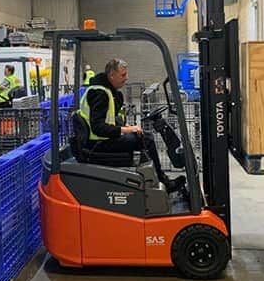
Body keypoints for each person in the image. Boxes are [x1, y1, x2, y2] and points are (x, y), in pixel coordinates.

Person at [78, 58, 185, 193]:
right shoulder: (100, 93)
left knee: (141, 136)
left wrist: (126, 126)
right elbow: (98, 127)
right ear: (112, 75)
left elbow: (109, 119)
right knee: (147, 140)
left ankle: (153, 180)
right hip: (97, 144)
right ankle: (163, 181)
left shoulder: (107, 91)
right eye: (123, 75)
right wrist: (126, 129)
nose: (126, 78)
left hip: (100, 140)